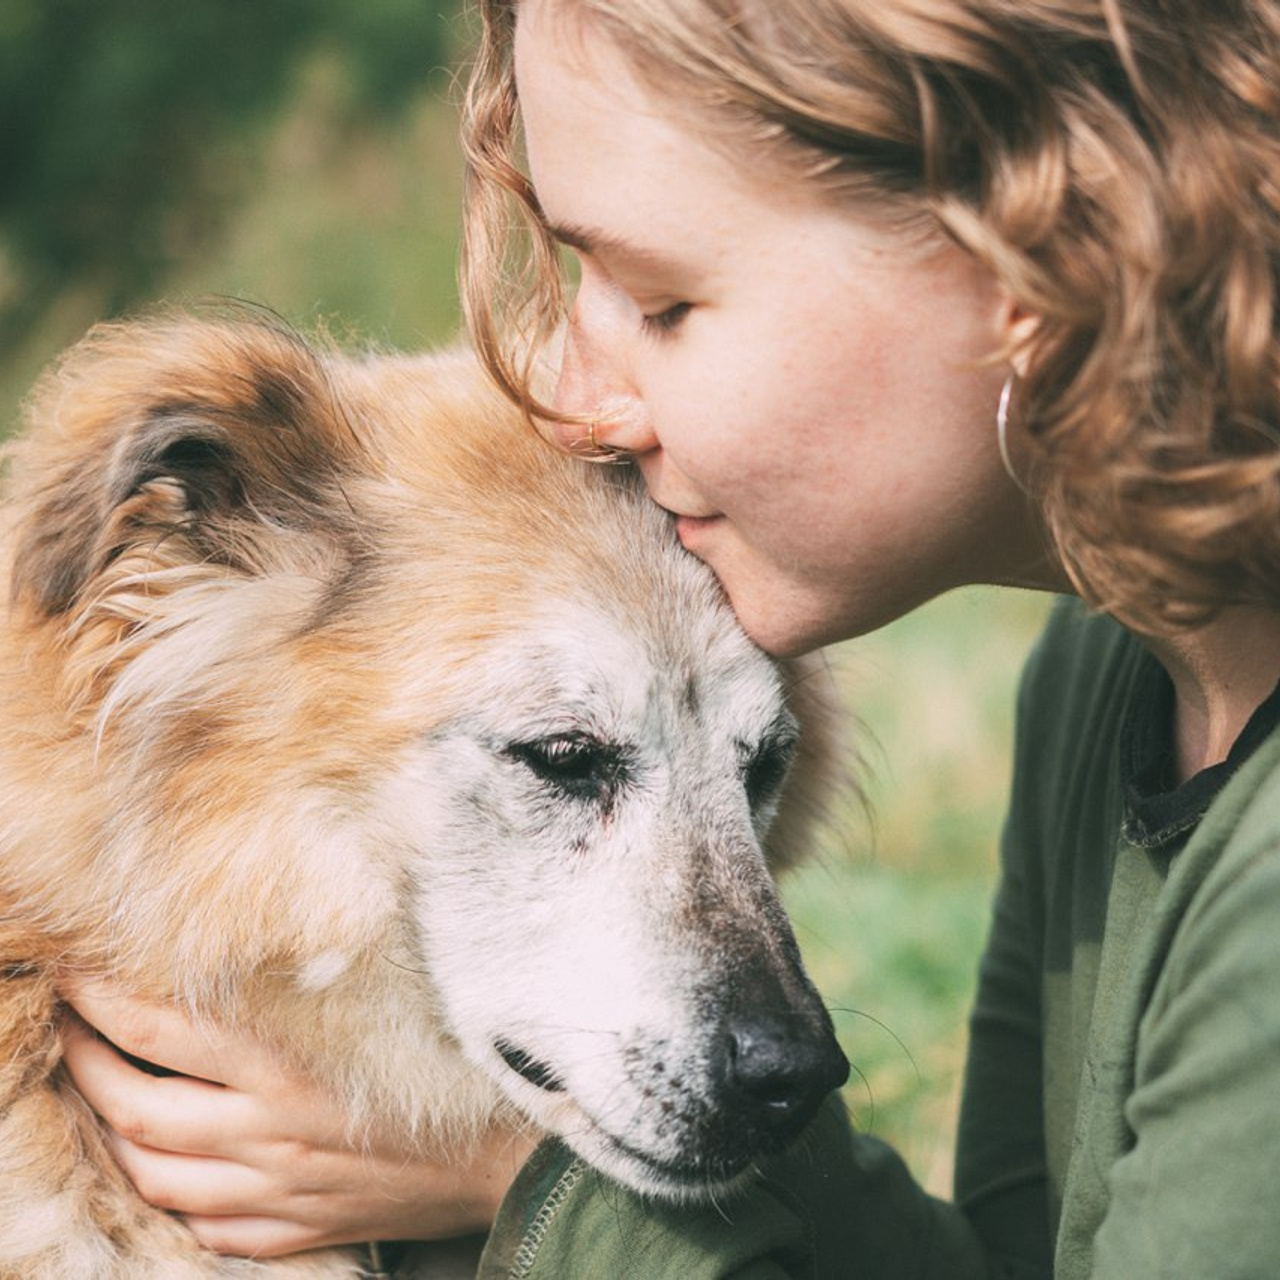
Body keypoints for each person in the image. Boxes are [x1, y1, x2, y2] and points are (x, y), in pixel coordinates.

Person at [60, 0, 1280, 1275]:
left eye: (661, 300)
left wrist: (533, 1182)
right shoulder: (1108, 667)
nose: (575, 399)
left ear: (1039, 253)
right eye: (565, 756)